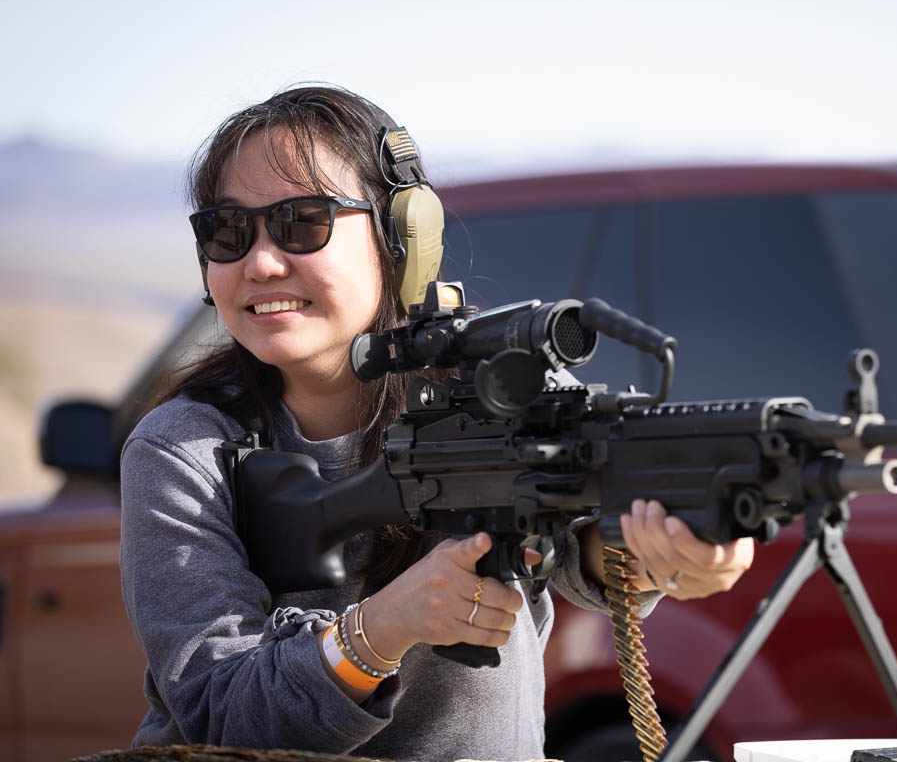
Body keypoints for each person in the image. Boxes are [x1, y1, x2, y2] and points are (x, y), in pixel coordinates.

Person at [119, 85, 755, 761]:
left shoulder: (504, 389)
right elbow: (221, 719)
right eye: (228, 231)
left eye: (303, 222)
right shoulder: (184, 448)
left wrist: (664, 553)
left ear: (401, 239)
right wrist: (378, 631)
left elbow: (582, 547)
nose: (262, 262)